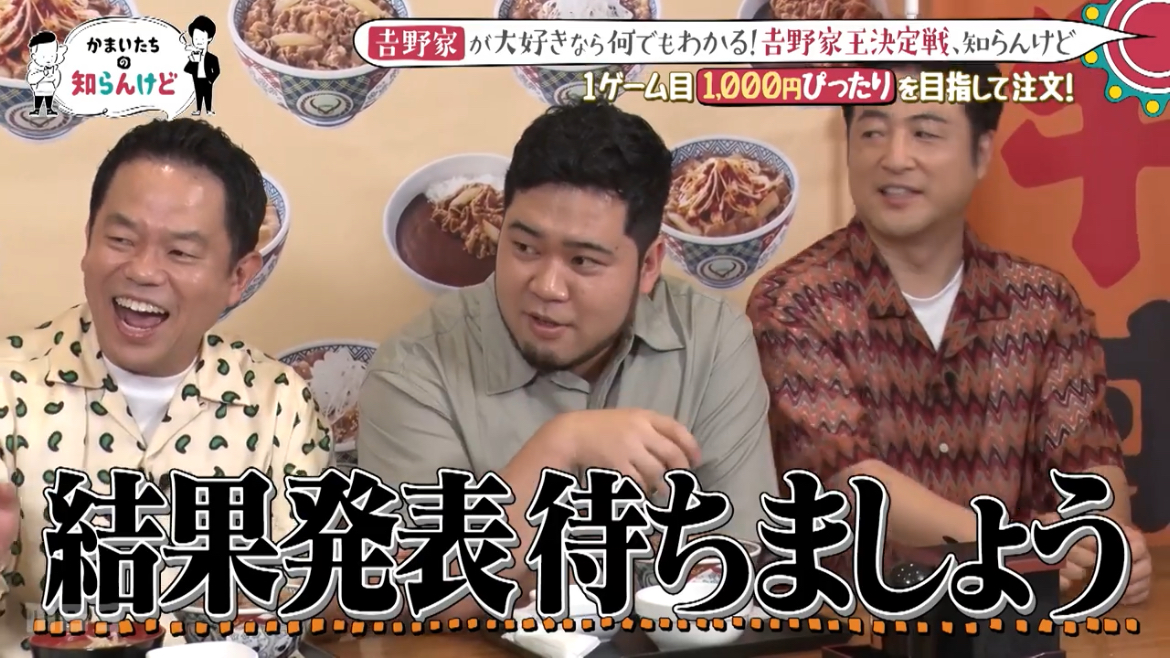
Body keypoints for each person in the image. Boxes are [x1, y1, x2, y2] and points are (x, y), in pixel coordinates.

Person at [747, 62, 1151, 605]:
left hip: (1011, 629)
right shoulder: (794, 302)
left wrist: (1102, 546)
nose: (894, 157)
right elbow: (846, 480)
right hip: (855, 627)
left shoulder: (1044, 304)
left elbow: (1090, 468)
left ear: (981, 153)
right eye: (872, 131)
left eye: (925, 132)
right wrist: (1020, 548)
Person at [358, 102, 779, 619]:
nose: (547, 287)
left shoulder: (712, 341)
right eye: (524, 248)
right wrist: (560, 448)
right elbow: (407, 592)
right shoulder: (415, 368)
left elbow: (743, 558)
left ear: (648, 265)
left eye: (582, 261)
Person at [0, 119, 332, 649]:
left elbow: (295, 604)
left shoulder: (280, 404)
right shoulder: (8, 386)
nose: (143, 271)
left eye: (180, 252)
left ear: (238, 277)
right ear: (88, 241)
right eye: (121, 239)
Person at [182, 16, 220, 116]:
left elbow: (217, 71)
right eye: (196, 38)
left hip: (207, 80)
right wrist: (193, 61)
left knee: (208, 95)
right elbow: (186, 69)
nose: (198, 41)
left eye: (202, 38)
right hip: (197, 80)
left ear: (209, 38)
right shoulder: (194, 56)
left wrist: (210, 80)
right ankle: (198, 110)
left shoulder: (212, 58)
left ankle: (209, 110)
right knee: (198, 94)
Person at [25, 31, 66, 116]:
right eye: (43, 56)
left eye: (52, 56)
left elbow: (58, 77)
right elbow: (31, 79)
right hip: (39, 87)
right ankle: (36, 110)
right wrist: (43, 74)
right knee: (38, 97)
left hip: (50, 87)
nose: (48, 59)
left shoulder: (55, 66)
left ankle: (49, 109)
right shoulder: (34, 67)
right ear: (34, 56)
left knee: (49, 98)